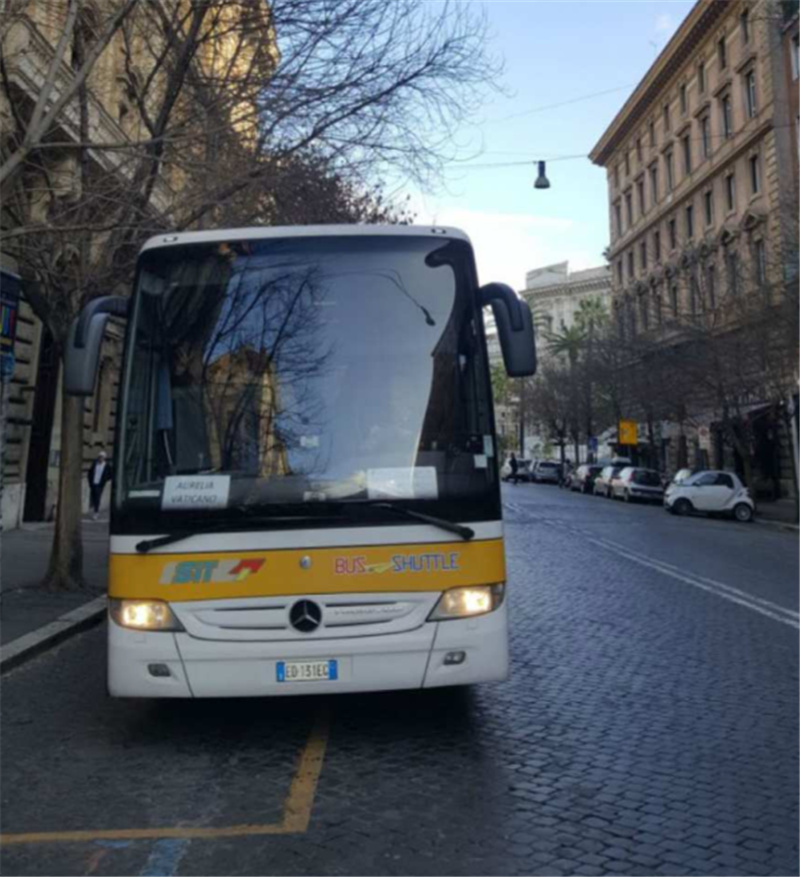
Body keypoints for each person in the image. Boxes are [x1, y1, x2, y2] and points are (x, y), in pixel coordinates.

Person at [87, 450, 113, 520]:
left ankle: (96, 512)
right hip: (93, 483)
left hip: (100, 484)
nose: (100, 459)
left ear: (104, 458)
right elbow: (90, 472)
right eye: (100, 457)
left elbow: (110, 474)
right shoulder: (95, 464)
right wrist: (90, 480)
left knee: (97, 497)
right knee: (94, 496)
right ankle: (94, 508)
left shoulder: (106, 466)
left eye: (102, 457)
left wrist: (105, 479)